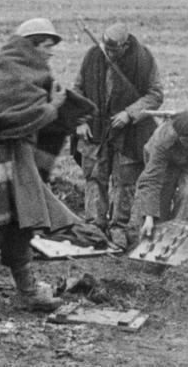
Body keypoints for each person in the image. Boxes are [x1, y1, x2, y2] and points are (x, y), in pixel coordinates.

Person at [0, 18, 94, 312]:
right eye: (47, 47)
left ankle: (28, 292)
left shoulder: (32, 72)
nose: (50, 53)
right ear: (32, 44)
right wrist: (54, 109)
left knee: (22, 225)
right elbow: (11, 122)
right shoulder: (7, 71)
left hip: (21, 167)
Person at [72, 22, 164, 248]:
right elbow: (78, 90)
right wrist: (81, 120)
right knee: (94, 176)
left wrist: (130, 113)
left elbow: (155, 95)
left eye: (114, 50)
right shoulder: (93, 56)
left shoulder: (143, 59)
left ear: (125, 45)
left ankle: (118, 227)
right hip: (96, 129)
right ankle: (95, 225)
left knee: (125, 181)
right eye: (106, 48)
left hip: (129, 133)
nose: (109, 54)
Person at [133, 111, 188, 240]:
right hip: (166, 159)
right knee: (161, 199)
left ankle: (180, 231)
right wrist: (149, 216)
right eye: (187, 140)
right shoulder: (162, 142)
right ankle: (158, 231)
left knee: (187, 193)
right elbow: (151, 181)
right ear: (178, 135)